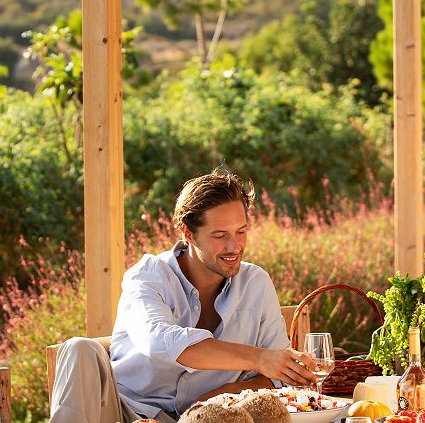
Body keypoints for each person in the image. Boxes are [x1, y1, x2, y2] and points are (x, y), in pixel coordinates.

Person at [50, 168, 317, 423]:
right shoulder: (147, 276)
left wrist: (219, 395)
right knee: (78, 348)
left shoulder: (256, 284)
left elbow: (279, 378)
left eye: (241, 231)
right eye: (219, 235)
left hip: (208, 417)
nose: (234, 246)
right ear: (188, 233)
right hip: (125, 411)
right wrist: (259, 357)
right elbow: (161, 342)